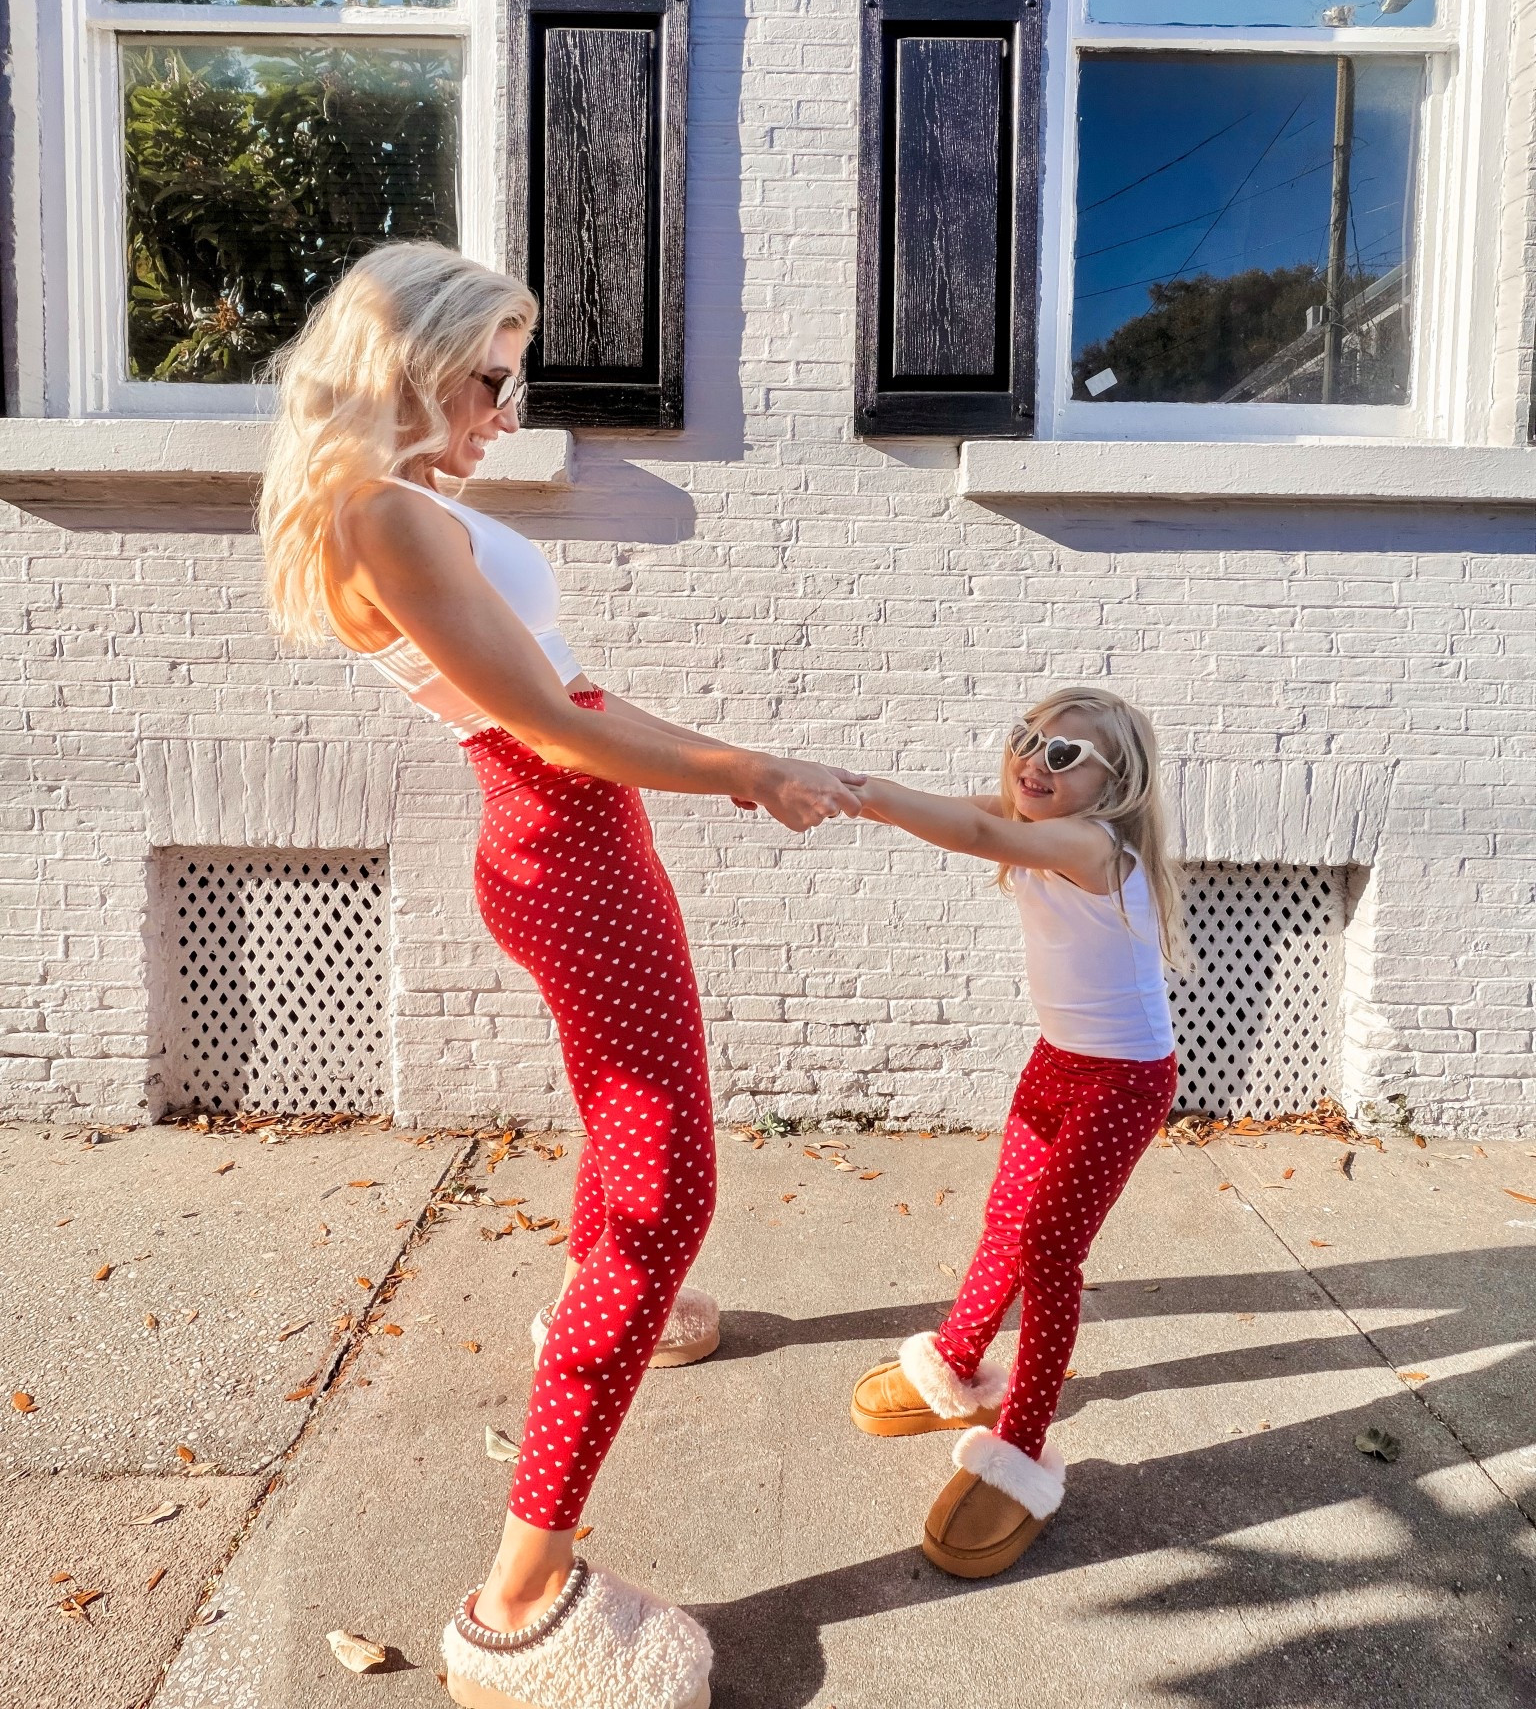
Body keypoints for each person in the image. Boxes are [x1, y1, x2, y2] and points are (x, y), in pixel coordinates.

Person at [259, 242, 862, 1709]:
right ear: (408, 362)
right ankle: (518, 1608)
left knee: (626, 1133)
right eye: (487, 378)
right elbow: (553, 722)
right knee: (667, 1196)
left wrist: (730, 762)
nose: (504, 415)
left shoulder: (399, 509)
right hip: (569, 853)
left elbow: (574, 692)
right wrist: (750, 775)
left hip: (569, 845)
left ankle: (624, 1316)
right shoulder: (383, 517)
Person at [847, 687, 1182, 1579]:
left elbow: (986, 836)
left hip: (1125, 1078)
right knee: (1007, 1218)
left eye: (1065, 755)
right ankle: (957, 1361)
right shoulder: (1038, 815)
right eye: (1029, 740)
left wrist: (859, 789)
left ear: (1115, 785)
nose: (1036, 761)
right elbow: (976, 813)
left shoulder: (1091, 842)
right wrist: (836, 785)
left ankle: (1023, 1443)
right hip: (1060, 1059)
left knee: (1048, 1252)